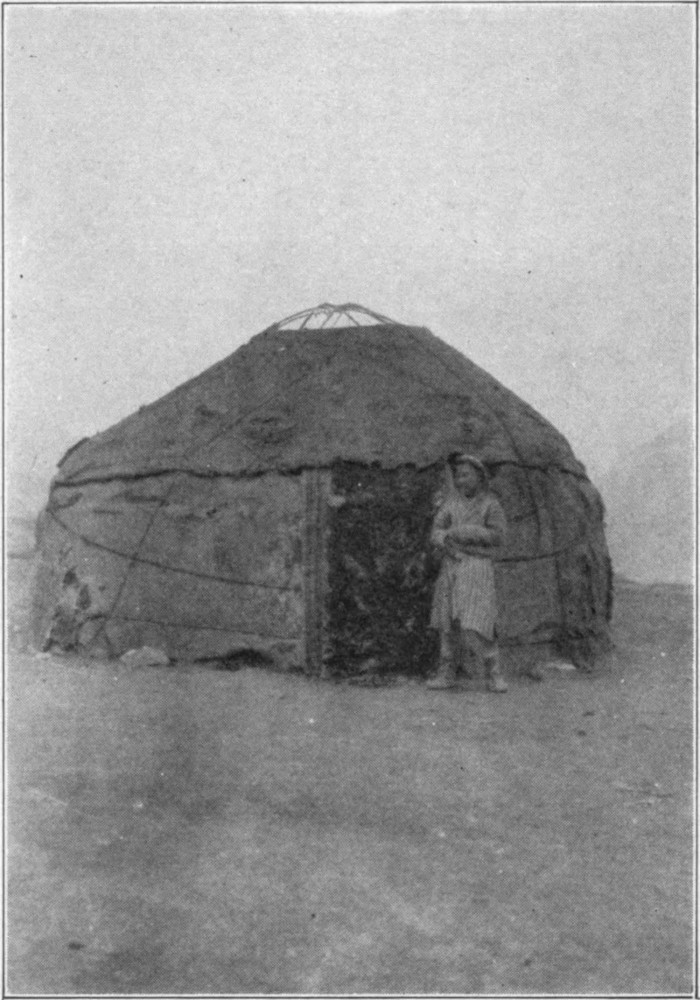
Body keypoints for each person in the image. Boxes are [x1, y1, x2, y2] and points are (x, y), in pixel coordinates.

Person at [427, 453, 508, 692]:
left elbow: (499, 536)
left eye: (466, 475)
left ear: (479, 477)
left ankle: (494, 673)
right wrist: (444, 537)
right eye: (458, 476)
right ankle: (446, 672)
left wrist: (467, 531)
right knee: (447, 622)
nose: (461, 480)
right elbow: (437, 530)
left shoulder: (490, 505)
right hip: (451, 565)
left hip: (477, 567)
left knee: (477, 623)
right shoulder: (451, 504)